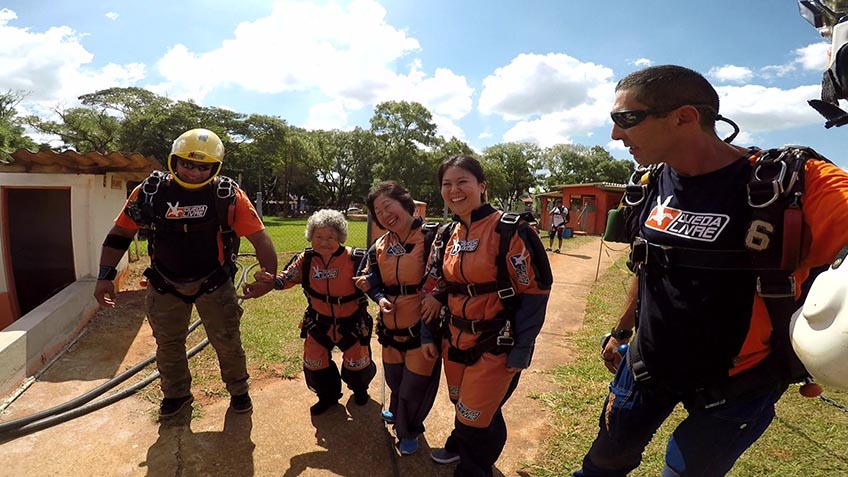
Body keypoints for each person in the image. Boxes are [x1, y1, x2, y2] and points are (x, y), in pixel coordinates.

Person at [573, 65, 848, 477]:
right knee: (602, 464)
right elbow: (647, 264)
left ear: (684, 116)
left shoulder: (792, 184)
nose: (616, 135)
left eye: (626, 119)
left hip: (739, 385)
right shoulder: (653, 181)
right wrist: (621, 331)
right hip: (647, 366)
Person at [94, 128, 278, 418]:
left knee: (227, 341)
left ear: (214, 168)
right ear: (174, 161)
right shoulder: (150, 192)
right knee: (168, 344)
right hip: (164, 283)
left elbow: (259, 237)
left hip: (214, 282)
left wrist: (268, 276)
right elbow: (121, 233)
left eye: (203, 167)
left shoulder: (226, 195)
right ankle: (176, 395)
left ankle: (239, 391)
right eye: (187, 164)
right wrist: (105, 276)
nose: (193, 172)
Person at [419, 155, 552, 477]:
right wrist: (428, 332)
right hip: (455, 338)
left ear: (481, 186)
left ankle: (474, 468)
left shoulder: (510, 230)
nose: (454, 190)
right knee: (462, 404)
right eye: (446, 184)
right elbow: (437, 281)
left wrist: (522, 349)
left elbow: (535, 292)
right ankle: (460, 443)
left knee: (474, 415)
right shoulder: (448, 233)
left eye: (463, 182)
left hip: (496, 342)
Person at [248, 209, 376, 415]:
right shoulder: (305, 260)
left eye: (331, 237)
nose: (324, 242)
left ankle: (360, 390)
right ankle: (327, 397)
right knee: (315, 364)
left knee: (357, 365)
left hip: (352, 322)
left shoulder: (356, 259)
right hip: (319, 323)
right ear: (310, 236)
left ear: (340, 238)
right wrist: (268, 280)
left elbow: (376, 283)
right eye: (319, 237)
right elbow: (283, 280)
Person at [353, 181, 442, 456]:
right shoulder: (380, 245)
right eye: (378, 212)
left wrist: (437, 297)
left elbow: (448, 274)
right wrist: (378, 297)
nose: (385, 214)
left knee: (413, 389)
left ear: (407, 204)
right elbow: (370, 279)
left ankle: (408, 430)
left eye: (388, 206)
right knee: (395, 381)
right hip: (390, 328)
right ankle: (400, 414)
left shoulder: (433, 238)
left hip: (422, 329)